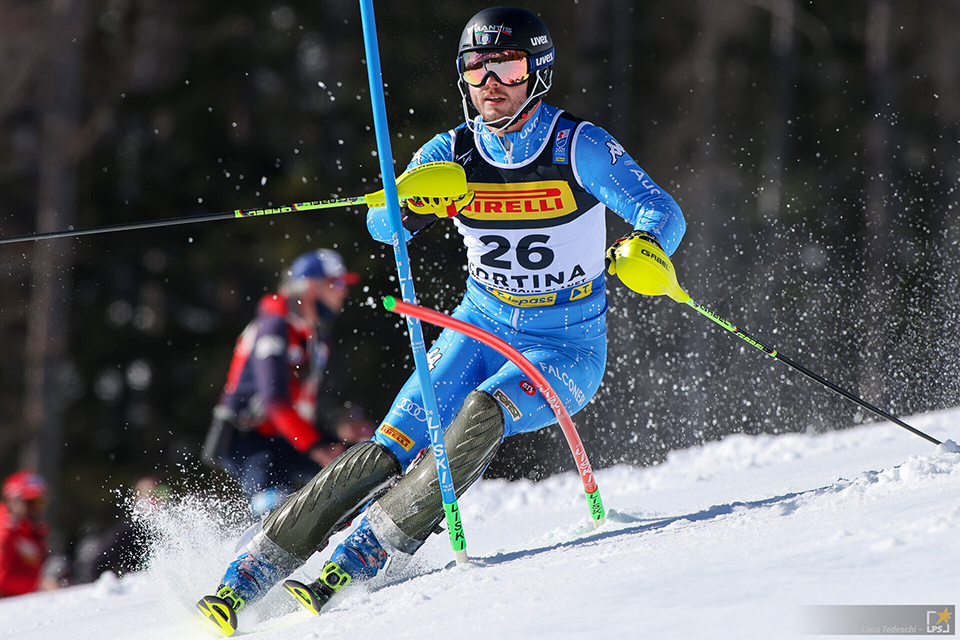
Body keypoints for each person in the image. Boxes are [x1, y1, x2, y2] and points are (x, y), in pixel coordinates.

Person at [197, 7, 686, 634]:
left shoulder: (576, 146)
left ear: (536, 71)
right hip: (478, 330)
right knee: (386, 449)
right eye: (475, 67)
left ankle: (371, 546)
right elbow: (380, 224)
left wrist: (645, 249)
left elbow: (660, 210)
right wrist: (409, 205)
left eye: (506, 65)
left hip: (563, 348)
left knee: (482, 414)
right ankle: (255, 568)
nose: (490, 81)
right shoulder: (450, 151)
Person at [201, 248, 374, 516]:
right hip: (253, 441)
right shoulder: (275, 326)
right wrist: (318, 449)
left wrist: (340, 423)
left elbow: (312, 398)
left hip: (290, 438)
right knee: (275, 506)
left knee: (360, 471)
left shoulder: (313, 334)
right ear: (311, 287)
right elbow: (274, 399)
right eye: (336, 283)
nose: (343, 292)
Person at [0, 470, 50, 597]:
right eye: (30, 502)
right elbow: (2, 577)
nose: (36, 509)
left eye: (39, 503)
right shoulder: (5, 530)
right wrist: (39, 584)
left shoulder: (30, 531)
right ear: (13, 501)